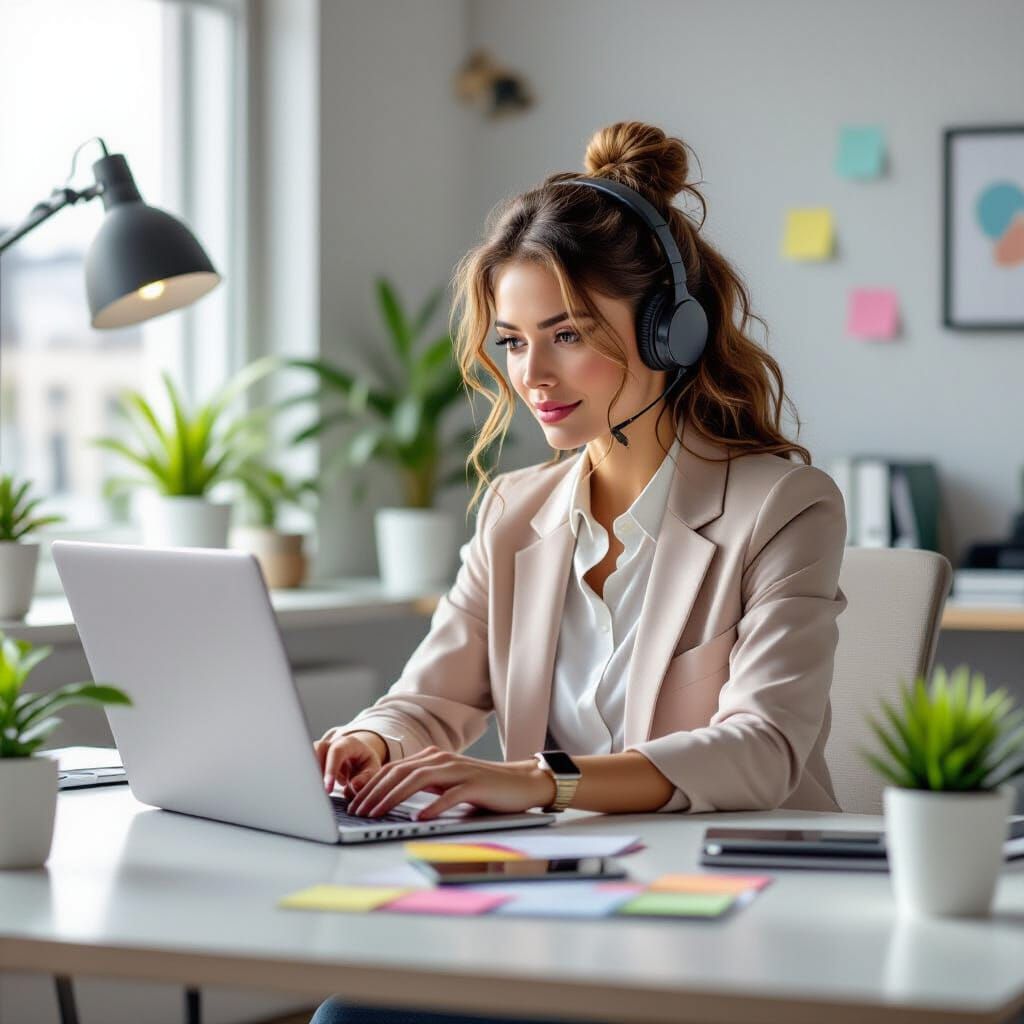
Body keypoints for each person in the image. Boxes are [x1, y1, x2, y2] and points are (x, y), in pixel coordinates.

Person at [309, 120, 847, 1024]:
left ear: (671, 333)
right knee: (352, 1011)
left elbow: (763, 751)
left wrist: (538, 781)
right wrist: (373, 740)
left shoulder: (784, 505)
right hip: (565, 901)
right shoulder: (514, 510)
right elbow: (430, 700)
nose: (533, 375)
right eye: (513, 342)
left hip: (731, 912)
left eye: (566, 334)